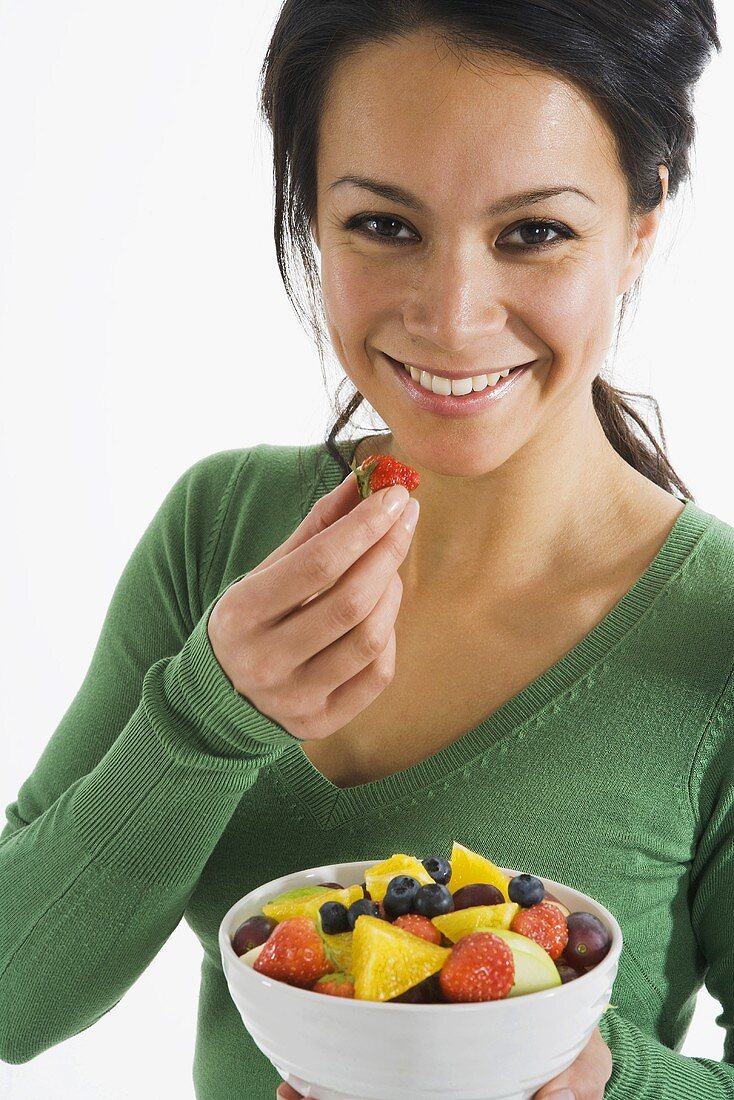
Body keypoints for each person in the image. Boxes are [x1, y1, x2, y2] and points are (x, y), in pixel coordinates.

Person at [0, 1, 729, 1098]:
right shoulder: (219, 530)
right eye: (385, 225)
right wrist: (208, 712)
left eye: (532, 232)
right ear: (308, 214)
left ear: (640, 221)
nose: (449, 315)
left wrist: (607, 1084)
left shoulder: (714, 629)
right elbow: (15, 997)